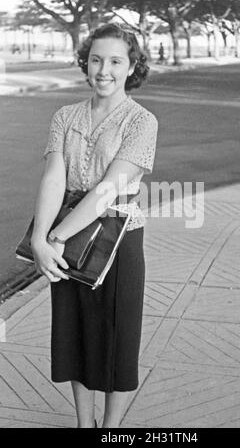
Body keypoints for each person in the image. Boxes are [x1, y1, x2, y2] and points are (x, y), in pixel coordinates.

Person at [30, 23, 158, 428]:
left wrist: (55, 236)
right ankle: (85, 425)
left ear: (131, 66)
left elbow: (108, 190)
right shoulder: (65, 115)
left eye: (116, 61)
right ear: (85, 62)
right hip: (67, 238)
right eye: (96, 59)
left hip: (118, 241)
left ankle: (110, 429)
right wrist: (39, 240)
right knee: (75, 336)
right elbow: (53, 177)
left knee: (117, 339)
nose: (104, 70)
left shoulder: (142, 121)